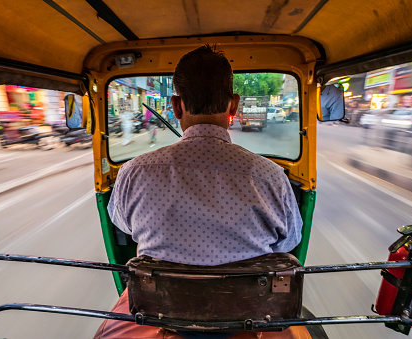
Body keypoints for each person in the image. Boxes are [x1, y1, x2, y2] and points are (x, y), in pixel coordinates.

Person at [99, 45, 304, 339]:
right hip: (246, 315)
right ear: (233, 105)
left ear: (176, 106)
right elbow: (290, 241)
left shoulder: (135, 172)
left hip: (161, 313)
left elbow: (124, 226)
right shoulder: (269, 176)